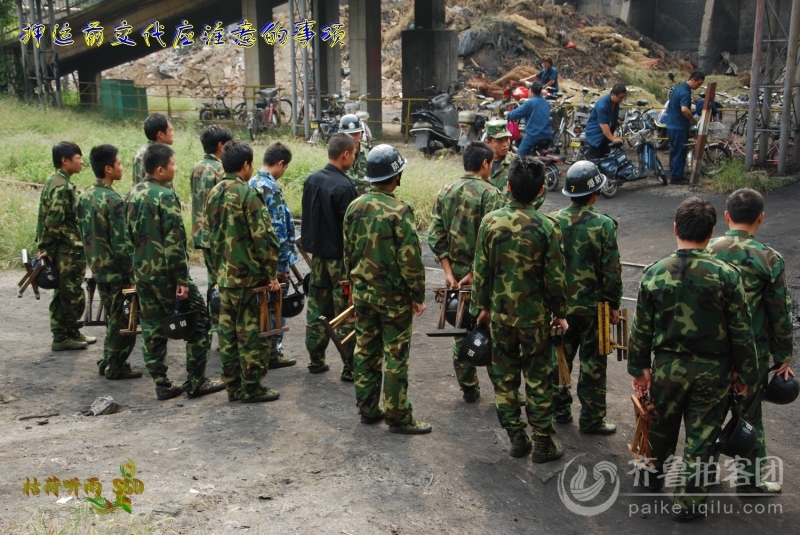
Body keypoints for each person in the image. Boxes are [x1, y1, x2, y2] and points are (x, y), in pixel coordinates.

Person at [628, 197, 759, 522]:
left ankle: (650, 477)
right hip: (713, 371)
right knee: (702, 438)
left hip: (668, 368)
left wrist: (639, 368)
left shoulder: (655, 273)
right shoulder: (726, 276)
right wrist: (745, 374)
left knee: (659, 426)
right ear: (712, 230)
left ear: (675, 228)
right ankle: (689, 504)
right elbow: (741, 331)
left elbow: (641, 328)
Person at [472, 156, 568, 462]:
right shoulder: (547, 227)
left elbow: (481, 271)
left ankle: (517, 438)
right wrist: (560, 312)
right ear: (541, 191)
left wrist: (482, 307)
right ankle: (543, 443)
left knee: (505, 379)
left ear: (508, 186)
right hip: (534, 318)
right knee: (539, 378)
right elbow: (555, 277)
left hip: (500, 316)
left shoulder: (490, 222)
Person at [707, 188, 794, 494]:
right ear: (761, 218)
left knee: (709, 415)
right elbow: (779, 311)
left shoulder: (706, 248)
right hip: (752, 354)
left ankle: (704, 475)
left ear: (727, 217)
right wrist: (784, 355)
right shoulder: (769, 258)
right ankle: (750, 479)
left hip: (711, 352)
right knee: (750, 415)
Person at [124, 143, 225, 401]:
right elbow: (174, 240)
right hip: (168, 275)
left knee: (151, 326)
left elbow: (127, 237)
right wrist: (181, 278)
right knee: (200, 321)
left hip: (143, 274)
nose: (176, 168)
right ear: (160, 169)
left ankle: (162, 383)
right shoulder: (165, 196)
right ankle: (196, 380)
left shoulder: (132, 193)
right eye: (172, 164)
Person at [343, 144, 431, 434]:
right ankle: (398, 416)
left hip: (364, 294)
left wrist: (352, 286)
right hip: (393, 299)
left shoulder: (353, 207)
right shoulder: (399, 211)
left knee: (365, 350)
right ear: (397, 176)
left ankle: (367, 409)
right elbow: (411, 261)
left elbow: (348, 253)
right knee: (395, 355)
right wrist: (417, 295)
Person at [205, 140, 282, 403]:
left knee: (227, 333)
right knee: (251, 333)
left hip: (225, 277)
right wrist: (271, 274)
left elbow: (211, 238)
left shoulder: (214, 193)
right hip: (249, 279)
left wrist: (217, 273)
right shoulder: (248, 195)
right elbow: (266, 240)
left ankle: (233, 387)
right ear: (247, 165)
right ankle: (251, 387)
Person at [428, 141, 503, 403]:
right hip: (480, 278)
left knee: (460, 329)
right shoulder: (490, 194)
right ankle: (503, 391)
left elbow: (435, 237)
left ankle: (468, 388)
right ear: (485, 163)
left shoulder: (446, 191)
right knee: (488, 328)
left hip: (455, 281)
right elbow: (492, 240)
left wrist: (449, 272)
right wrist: (474, 272)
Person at [551, 161, 622, 435]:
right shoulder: (604, 225)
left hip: (561, 309)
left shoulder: (553, 221)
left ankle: (560, 411)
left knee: (559, 358)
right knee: (594, 365)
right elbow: (612, 272)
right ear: (596, 193)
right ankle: (592, 420)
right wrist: (614, 306)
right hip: (597, 310)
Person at [77, 144, 139, 379]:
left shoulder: (85, 196)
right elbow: (121, 243)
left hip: (98, 267)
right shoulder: (113, 200)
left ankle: (107, 360)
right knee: (123, 318)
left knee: (113, 316)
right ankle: (115, 365)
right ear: (108, 168)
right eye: (119, 163)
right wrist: (131, 272)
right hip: (116, 270)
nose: (122, 168)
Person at [301, 133, 359, 378]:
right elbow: (352, 230)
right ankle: (350, 366)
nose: (354, 159)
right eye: (354, 154)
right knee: (346, 312)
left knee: (317, 308)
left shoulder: (311, 180)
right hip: (339, 261)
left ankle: (316, 359)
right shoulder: (345, 187)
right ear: (345, 154)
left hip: (318, 259)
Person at [36, 142, 95, 351]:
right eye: (78, 157)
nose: (81, 162)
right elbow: (54, 219)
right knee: (70, 293)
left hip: (63, 247)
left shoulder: (54, 180)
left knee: (64, 292)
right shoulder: (63, 186)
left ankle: (71, 332)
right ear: (65, 160)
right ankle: (62, 337)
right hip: (66, 249)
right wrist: (49, 249)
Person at [249, 141, 298, 370]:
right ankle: (272, 352)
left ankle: (262, 350)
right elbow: (278, 230)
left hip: (256, 260)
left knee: (261, 307)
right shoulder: (270, 188)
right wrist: (281, 265)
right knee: (276, 307)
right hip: (274, 262)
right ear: (280, 163)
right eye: (285, 167)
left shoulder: (252, 182)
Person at [190, 125, 233, 336]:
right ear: (220, 146)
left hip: (201, 232)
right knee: (222, 282)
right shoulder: (221, 169)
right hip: (218, 235)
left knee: (211, 279)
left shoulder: (197, 167)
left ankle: (214, 324)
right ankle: (221, 326)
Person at [666, 72, 704, 183]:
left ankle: (673, 172)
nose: (698, 86)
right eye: (698, 83)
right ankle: (676, 177)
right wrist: (693, 120)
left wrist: (690, 101)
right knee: (680, 151)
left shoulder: (677, 89)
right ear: (693, 80)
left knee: (673, 150)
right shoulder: (685, 91)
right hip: (679, 126)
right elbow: (684, 109)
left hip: (670, 124)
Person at [505, 82, 552, 156]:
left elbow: (516, 114)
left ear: (531, 91)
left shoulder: (530, 102)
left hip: (534, 135)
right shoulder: (545, 102)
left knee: (518, 158)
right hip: (547, 135)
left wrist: (508, 114)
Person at [584, 83, 627, 160]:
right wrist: (613, 139)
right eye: (620, 97)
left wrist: (614, 120)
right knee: (594, 163)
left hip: (604, 138)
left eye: (623, 97)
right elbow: (603, 125)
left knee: (605, 160)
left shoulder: (615, 102)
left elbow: (609, 115)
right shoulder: (602, 105)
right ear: (613, 95)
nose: (622, 100)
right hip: (595, 137)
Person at [132, 113, 174, 188]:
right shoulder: (160, 155)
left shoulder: (140, 151)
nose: (173, 133)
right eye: (170, 130)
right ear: (160, 134)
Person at [340, 114, 371, 195]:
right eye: (349, 135)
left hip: (365, 200)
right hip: (344, 198)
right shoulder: (337, 153)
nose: (352, 138)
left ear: (361, 133)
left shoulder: (370, 152)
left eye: (356, 133)